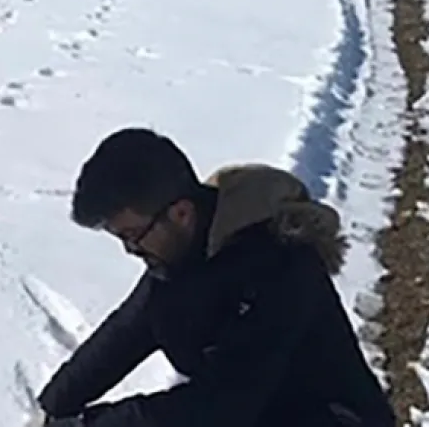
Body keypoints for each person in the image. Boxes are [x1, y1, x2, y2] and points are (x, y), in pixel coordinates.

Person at [31, 128, 396, 427]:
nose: (131, 250)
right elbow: (127, 332)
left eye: (132, 235)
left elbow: (222, 405)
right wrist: (52, 407)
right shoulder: (182, 254)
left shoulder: (279, 265)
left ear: (181, 213)